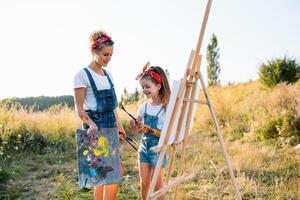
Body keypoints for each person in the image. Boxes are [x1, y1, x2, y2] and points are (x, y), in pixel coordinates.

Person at [73, 30, 126, 200]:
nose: (108, 58)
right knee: (104, 175)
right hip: (94, 129)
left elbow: (113, 107)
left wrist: (120, 126)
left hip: (111, 126)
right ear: (93, 51)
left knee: (109, 176)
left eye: (110, 55)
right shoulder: (82, 75)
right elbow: (79, 109)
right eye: (105, 54)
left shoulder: (108, 75)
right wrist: (91, 124)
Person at [129, 62, 171, 200]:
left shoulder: (166, 109)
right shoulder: (143, 107)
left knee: (158, 185)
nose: (144, 90)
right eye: (142, 87)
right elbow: (135, 129)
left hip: (158, 149)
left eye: (148, 86)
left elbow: (167, 135)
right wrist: (134, 124)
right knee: (145, 183)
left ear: (158, 86)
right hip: (144, 148)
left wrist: (151, 130)